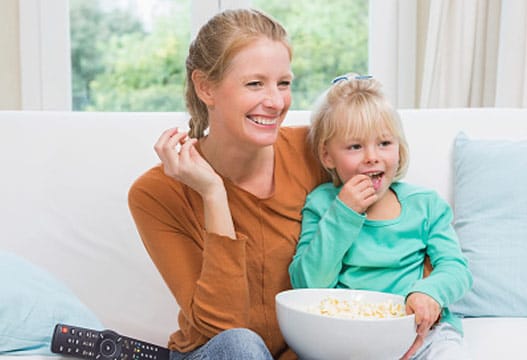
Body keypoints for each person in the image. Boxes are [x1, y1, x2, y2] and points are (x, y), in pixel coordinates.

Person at [128, 8, 327, 360]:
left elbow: (397, 219)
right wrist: (213, 194)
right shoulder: (156, 193)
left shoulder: (315, 152)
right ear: (206, 87)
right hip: (218, 352)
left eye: (284, 83)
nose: (276, 101)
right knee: (241, 345)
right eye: (255, 83)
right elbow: (223, 326)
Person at [288, 74, 473, 360]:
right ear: (327, 156)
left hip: (421, 333)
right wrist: (344, 212)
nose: (372, 157)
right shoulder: (323, 204)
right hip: (349, 339)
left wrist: (429, 293)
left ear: (399, 148)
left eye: (384, 143)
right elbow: (308, 284)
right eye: (355, 146)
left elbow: (456, 268)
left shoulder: (425, 206)